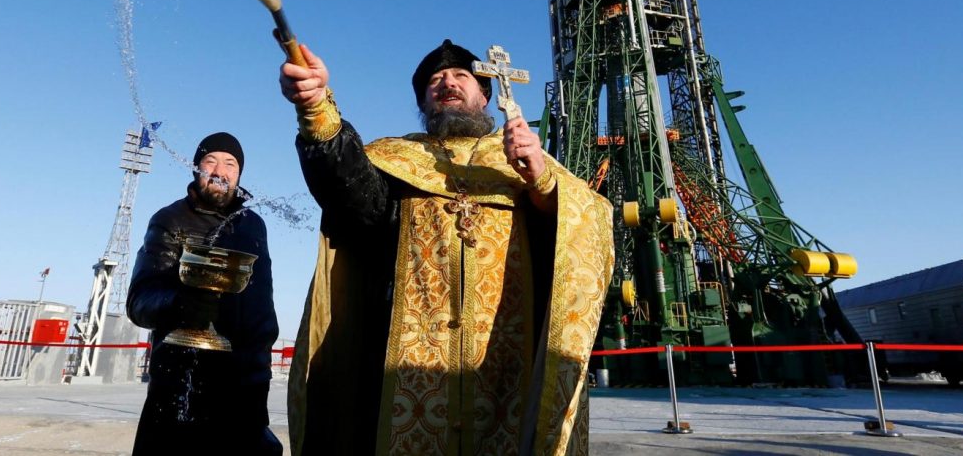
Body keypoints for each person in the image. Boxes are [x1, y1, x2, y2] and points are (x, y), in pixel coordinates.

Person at [281, 40, 614, 455]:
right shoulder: (397, 160)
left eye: (461, 76)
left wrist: (543, 183)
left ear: (485, 95)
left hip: (506, 361)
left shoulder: (522, 159)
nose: (447, 83)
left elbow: (582, 229)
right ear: (423, 101)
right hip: (404, 369)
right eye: (435, 81)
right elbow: (350, 195)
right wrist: (315, 109)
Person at [127, 132, 281, 454]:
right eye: (210, 161)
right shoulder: (170, 219)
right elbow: (140, 301)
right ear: (196, 168)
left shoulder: (253, 225)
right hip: (181, 389)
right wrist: (180, 304)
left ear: (239, 175)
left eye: (230, 164)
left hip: (245, 391)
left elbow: (262, 311)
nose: (220, 171)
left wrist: (260, 376)